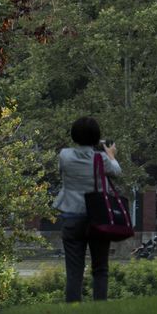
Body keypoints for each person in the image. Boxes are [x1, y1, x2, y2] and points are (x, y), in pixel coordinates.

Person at [53, 116, 121, 303]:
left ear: (74, 135)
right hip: (97, 219)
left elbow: (61, 171)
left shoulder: (64, 155)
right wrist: (111, 154)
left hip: (72, 217)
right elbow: (116, 171)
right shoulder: (101, 159)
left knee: (74, 271)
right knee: (100, 268)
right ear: (96, 137)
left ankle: (74, 311)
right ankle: (99, 310)